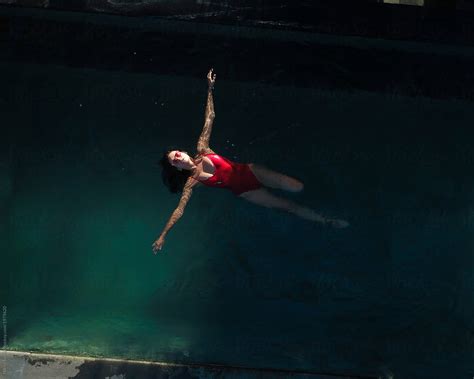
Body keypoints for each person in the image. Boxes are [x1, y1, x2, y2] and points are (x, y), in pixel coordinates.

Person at [153, 69, 349, 253]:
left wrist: (210, 88)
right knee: (288, 206)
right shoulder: (191, 184)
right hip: (246, 192)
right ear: (177, 168)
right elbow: (179, 211)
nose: (178, 156)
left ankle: (322, 191)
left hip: (251, 171)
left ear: (183, 151)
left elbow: (210, 117)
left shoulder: (203, 149)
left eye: (177, 153)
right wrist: (163, 235)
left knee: (297, 187)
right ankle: (326, 221)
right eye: (175, 160)